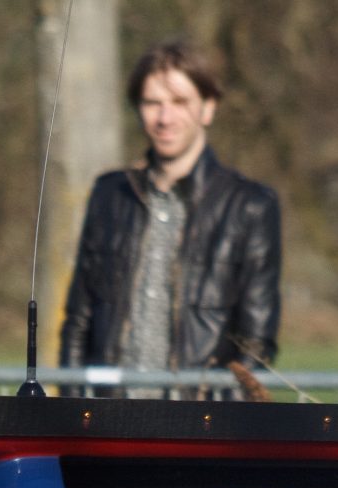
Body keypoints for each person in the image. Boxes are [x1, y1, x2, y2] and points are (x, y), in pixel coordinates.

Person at [58, 39, 281, 385]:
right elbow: (78, 321)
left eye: (179, 102)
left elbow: (256, 345)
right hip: (105, 423)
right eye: (152, 103)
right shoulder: (108, 194)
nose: (165, 118)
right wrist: (71, 416)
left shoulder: (250, 205)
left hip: (200, 428)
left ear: (208, 108)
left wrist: (222, 427)